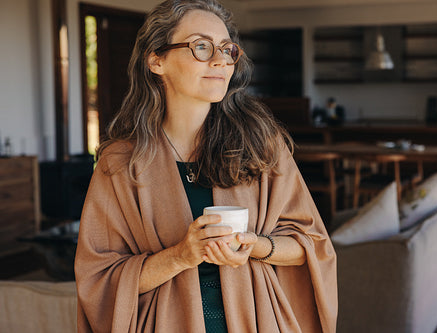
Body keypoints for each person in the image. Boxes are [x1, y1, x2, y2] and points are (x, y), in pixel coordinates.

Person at [75, 1, 338, 332]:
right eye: (201, 46)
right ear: (156, 60)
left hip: (257, 321)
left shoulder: (261, 144)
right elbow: (99, 280)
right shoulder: (120, 162)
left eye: (227, 49)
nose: (220, 60)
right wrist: (181, 256)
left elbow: (311, 245)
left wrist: (256, 246)